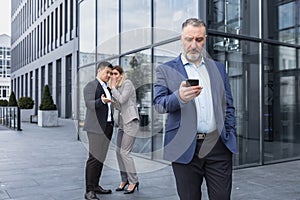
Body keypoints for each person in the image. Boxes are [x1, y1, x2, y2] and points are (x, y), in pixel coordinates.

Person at [153, 18, 237, 200]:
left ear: (205, 39)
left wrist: (229, 132)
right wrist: (179, 97)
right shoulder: (165, 70)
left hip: (218, 146)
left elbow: (228, 105)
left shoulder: (219, 69)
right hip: (184, 147)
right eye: (189, 39)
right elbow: (158, 104)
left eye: (198, 39)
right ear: (181, 39)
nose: (193, 44)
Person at [83, 61, 114, 200]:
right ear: (99, 71)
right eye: (107, 72)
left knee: (101, 159)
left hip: (107, 126)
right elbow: (89, 104)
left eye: (110, 73)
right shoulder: (91, 86)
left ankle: (96, 185)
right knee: (94, 158)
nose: (109, 75)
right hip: (96, 128)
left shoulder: (107, 88)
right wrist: (101, 101)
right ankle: (89, 190)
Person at [109, 65, 140, 194]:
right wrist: (110, 100)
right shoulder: (117, 88)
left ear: (121, 75)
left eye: (116, 74)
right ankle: (124, 179)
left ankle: (133, 181)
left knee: (125, 153)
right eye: (111, 74)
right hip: (122, 123)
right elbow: (119, 106)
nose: (113, 76)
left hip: (131, 122)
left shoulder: (127, 83)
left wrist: (113, 89)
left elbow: (122, 99)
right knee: (118, 152)